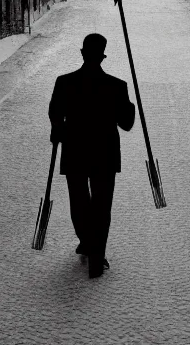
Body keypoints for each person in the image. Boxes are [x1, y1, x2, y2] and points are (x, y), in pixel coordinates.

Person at [48, 34, 136, 278]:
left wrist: (59, 131)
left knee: (79, 203)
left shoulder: (64, 83)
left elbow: (55, 114)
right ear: (102, 56)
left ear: (82, 53)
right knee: (101, 206)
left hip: (75, 152)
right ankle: (96, 256)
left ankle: (87, 241)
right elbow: (127, 123)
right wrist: (131, 104)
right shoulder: (117, 86)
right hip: (105, 153)